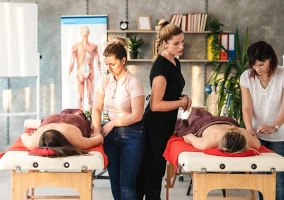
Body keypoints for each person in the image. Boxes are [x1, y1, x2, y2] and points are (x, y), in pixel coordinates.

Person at [136, 19, 191, 200]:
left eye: (182, 41)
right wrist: (181, 103)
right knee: (152, 174)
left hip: (165, 124)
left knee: (155, 173)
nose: (181, 46)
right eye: (176, 43)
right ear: (165, 43)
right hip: (154, 126)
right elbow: (156, 104)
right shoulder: (161, 67)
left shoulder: (175, 62)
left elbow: (170, 95)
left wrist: (181, 99)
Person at [92, 37, 145, 200]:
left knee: (127, 184)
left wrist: (114, 122)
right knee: (114, 182)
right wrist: (96, 133)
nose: (109, 68)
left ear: (123, 60)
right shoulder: (104, 81)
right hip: (110, 135)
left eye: (112, 64)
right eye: (106, 64)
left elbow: (137, 115)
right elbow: (97, 108)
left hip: (132, 135)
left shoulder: (134, 83)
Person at [240, 40, 284, 200]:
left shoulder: (282, 75)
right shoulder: (246, 77)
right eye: (254, 65)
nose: (257, 69)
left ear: (271, 59)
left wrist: (275, 126)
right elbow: (246, 107)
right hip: (257, 136)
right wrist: (249, 129)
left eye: (261, 64)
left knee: (279, 181)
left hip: (280, 137)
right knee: (260, 178)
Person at [21, 109, 103, 156]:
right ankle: (76, 113)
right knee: (78, 113)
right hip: (56, 120)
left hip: (59, 120)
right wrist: (33, 135)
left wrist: (32, 135)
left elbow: (99, 138)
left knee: (78, 114)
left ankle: (76, 113)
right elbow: (99, 137)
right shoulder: (33, 142)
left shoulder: (32, 143)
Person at [175, 109, 261, 152]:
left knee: (201, 113)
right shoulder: (207, 142)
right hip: (203, 123)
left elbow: (257, 144)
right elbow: (188, 136)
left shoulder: (245, 135)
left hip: (227, 120)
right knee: (196, 113)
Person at [68, 26, 101, 111]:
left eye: (86, 33)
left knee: (90, 98)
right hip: (81, 72)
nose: (85, 35)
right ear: (81, 33)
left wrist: (101, 72)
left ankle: (89, 114)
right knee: (81, 98)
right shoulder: (76, 46)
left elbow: (98, 61)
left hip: (89, 71)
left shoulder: (93, 46)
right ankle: (82, 114)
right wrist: (68, 74)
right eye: (84, 33)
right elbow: (72, 62)